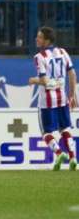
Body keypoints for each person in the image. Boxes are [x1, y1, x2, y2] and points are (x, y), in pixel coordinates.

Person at [28, 26, 77, 171]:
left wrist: (33, 80)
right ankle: (73, 158)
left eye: (40, 37)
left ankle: (59, 153)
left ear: (47, 41)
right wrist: (72, 94)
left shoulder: (39, 57)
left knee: (46, 133)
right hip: (62, 97)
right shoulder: (63, 52)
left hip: (47, 101)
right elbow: (72, 74)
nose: (37, 39)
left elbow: (43, 80)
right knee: (65, 129)